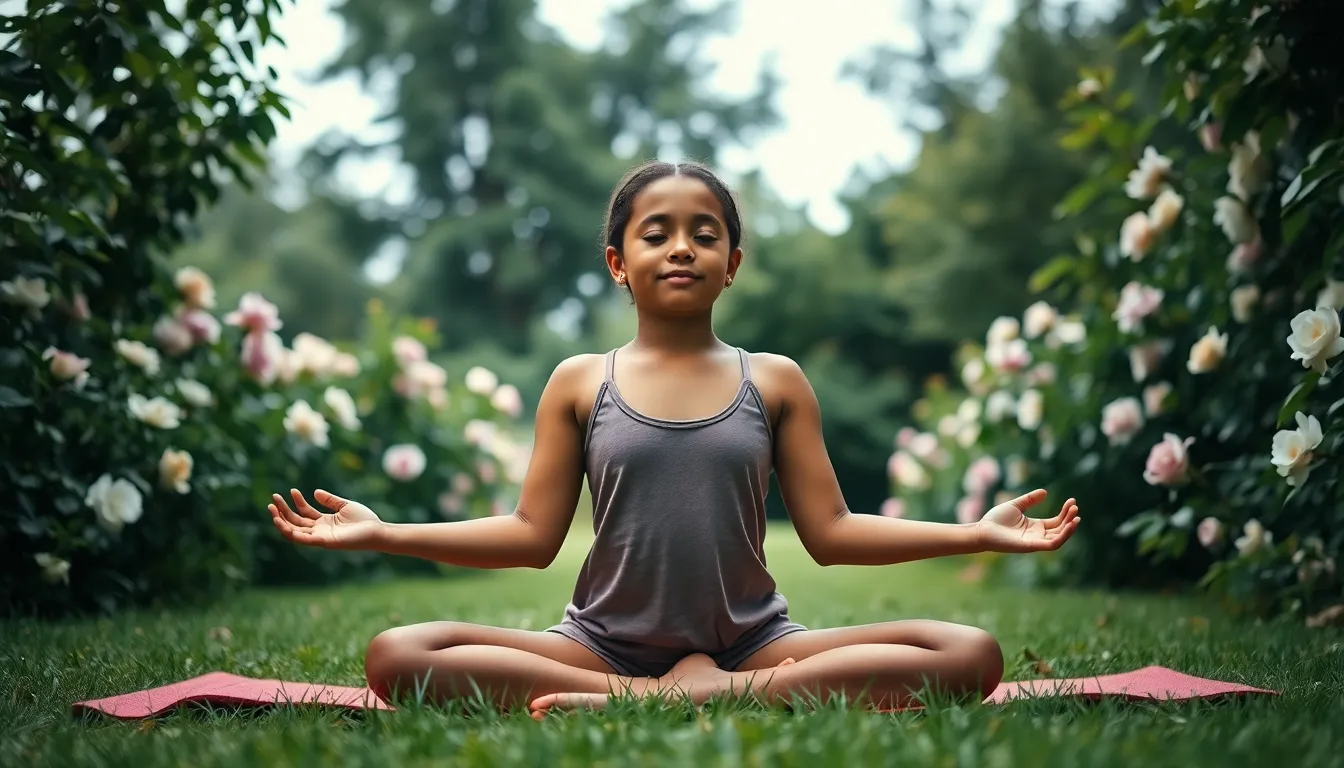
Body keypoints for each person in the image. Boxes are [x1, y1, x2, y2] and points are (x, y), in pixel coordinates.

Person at [267, 159, 1082, 719]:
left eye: (705, 232)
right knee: (397, 653)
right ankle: (651, 694)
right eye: (657, 233)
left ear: (732, 262)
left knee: (968, 651)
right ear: (619, 263)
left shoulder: (776, 380)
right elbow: (528, 537)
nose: (682, 245)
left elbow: (831, 534)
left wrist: (974, 532)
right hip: (598, 646)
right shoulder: (580, 381)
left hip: (756, 642)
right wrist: (386, 532)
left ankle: (709, 693)